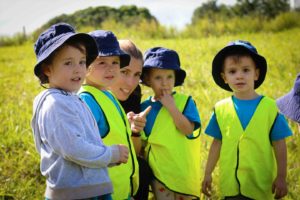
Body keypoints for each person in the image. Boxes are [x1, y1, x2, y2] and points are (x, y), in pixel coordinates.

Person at [31, 23, 129, 200]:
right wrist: (110, 154)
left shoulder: (69, 98)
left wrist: (109, 158)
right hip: (75, 193)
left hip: (89, 188)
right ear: (47, 69)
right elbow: (73, 148)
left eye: (82, 62)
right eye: (68, 63)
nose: (78, 69)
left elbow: (87, 141)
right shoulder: (56, 104)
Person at [202, 40, 293, 199]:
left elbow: (279, 144)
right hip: (230, 186)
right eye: (232, 71)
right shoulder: (221, 108)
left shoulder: (270, 107)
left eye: (245, 70)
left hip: (260, 185)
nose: (239, 76)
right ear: (224, 77)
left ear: (256, 74)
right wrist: (208, 173)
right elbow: (217, 143)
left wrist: (281, 176)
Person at [78, 30, 139, 200]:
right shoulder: (86, 100)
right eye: (102, 62)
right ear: (85, 64)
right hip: (105, 192)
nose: (111, 67)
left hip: (121, 188)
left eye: (115, 61)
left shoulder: (108, 94)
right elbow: (83, 149)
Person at [140, 47, 202, 199]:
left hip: (183, 171)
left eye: (169, 77)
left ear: (175, 78)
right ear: (148, 80)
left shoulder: (185, 102)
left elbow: (188, 130)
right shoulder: (144, 108)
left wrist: (172, 108)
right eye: (158, 78)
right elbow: (142, 143)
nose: (165, 83)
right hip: (159, 173)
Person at [109, 39, 153, 200]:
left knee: (142, 168)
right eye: (125, 72)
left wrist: (134, 131)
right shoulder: (88, 98)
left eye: (137, 75)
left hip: (122, 165)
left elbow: (134, 152)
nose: (131, 83)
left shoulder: (133, 94)